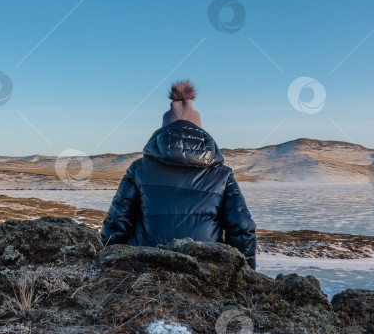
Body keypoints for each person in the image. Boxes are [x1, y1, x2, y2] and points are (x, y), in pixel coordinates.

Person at [100, 80, 258, 269]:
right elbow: (242, 229)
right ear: (199, 129)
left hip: (144, 269)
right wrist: (247, 277)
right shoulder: (222, 175)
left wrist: (105, 265)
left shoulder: (139, 169)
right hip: (205, 271)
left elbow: (117, 224)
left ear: (164, 129)